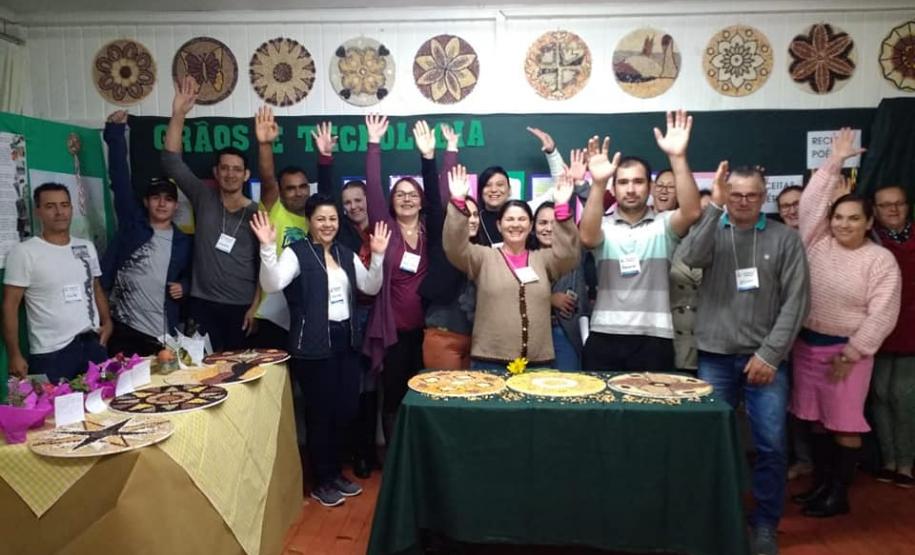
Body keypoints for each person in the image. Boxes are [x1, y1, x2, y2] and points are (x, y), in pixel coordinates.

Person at [678, 160, 810, 555]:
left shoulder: (785, 239)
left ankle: (765, 524)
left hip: (765, 359)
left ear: (764, 195)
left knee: (770, 446)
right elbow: (689, 258)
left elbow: (797, 303)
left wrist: (769, 355)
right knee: (710, 441)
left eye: (752, 195)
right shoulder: (713, 228)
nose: (744, 202)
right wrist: (713, 208)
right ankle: (713, 517)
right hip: (715, 356)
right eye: (735, 195)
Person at [790, 128, 902, 517]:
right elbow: (810, 205)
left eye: (853, 218)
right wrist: (833, 161)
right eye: (838, 216)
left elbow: (883, 314)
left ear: (869, 221)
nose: (843, 224)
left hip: (847, 354)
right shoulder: (817, 240)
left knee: (844, 425)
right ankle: (821, 485)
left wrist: (851, 354)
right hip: (807, 345)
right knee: (817, 421)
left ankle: (839, 494)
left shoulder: (879, 261)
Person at [252, 195, 389, 508]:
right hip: (313, 344)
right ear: (309, 222)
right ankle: (322, 480)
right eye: (321, 219)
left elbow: (370, 286)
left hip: (346, 341)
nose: (328, 225)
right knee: (320, 414)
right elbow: (272, 284)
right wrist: (266, 248)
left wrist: (378, 257)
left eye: (332, 219)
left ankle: (335, 473)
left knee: (345, 410)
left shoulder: (344, 252)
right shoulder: (296, 253)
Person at [579, 110, 702, 371]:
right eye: (622, 182)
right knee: (600, 410)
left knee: (650, 411)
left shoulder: (663, 226)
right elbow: (587, 238)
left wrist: (677, 157)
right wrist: (598, 183)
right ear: (614, 188)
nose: (631, 189)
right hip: (604, 334)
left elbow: (692, 211)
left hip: (653, 337)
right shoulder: (603, 226)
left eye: (638, 181)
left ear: (650, 186)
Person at [444, 165, 580, 369]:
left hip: (538, 362)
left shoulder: (543, 259)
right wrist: (457, 203)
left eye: (522, 219)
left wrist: (561, 207)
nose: (515, 224)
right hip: (490, 362)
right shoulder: (483, 257)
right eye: (509, 219)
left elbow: (569, 254)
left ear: (530, 225)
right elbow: (454, 247)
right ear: (499, 225)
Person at [162, 76, 260, 351]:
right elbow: (171, 162)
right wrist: (179, 113)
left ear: (246, 175)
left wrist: (256, 307)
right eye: (225, 168)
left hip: (241, 307)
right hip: (202, 304)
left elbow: (265, 265)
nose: (230, 173)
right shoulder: (203, 197)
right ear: (216, 172)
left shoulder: (255, 213)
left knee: (239, 374)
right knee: (203, 375)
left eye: (237, 169)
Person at [362, 117, 440, 438]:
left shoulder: (429, 231)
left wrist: (437, 154)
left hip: (426, 331)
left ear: (421, 201)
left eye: (412, 194)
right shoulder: (385, 228)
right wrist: (373, 144)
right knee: (392, 396)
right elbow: (373, 184)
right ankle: (395, 457)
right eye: (400, 195)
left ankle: (417, 453)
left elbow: (442, 192)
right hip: (393, 333)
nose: (406, 198)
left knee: (422, 394)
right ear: (391, 203)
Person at [101, 110, 192, 356]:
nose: (162, 204)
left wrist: (184, 286)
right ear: (146, 201)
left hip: (163, 332)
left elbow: (191, 277)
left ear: (176, 206)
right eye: (156, 198)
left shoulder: (183, 242)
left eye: (168, 199)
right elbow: (119, 180)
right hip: (123, 327)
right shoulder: (132, 226)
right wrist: (116, 134)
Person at [3, 183, 113, 381]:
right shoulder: (24, 252)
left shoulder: (86, 247)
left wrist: (107, 323)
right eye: (50, 206)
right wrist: (14, 354)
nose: (59, 212)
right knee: (53, 411)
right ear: (38, 211)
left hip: (92, 344)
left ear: (71, 208)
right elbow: (10, 306)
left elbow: (95, 287)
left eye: (64, 205)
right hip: (51, 354)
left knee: (103, 405)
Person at [419, 124, 476, 370]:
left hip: (479, 341)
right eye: (465, 213)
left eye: (475, 215)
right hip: (444, 336)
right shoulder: (442, 240)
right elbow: (433, 199)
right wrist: (429, 157)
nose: (470, 219)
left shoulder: (485, 250)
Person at [871, 184, 915, 488]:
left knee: (904, 397)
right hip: (877, 331)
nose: (893, 210)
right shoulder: (870, 241)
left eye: (898, 204)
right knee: (880, 395)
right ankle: (888, 461)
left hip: (911, 329)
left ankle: (906, 465)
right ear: (874, 210)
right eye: (886, 205)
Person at [529, 201, 590, 371]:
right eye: (542, 223)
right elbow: (511, 294)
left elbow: (593, 216)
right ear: (533, 227)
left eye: (554, 223)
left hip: (564, 331)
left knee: (569, 385)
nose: (548, 228)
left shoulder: (574, 251)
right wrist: (549, 299)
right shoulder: (524, 255)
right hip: (532, 334)